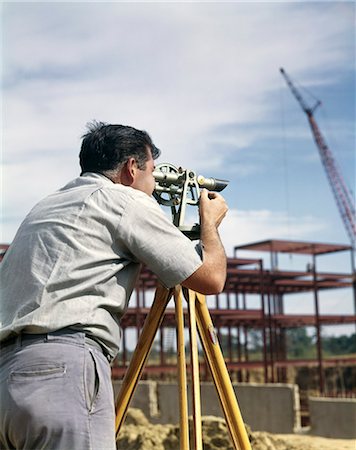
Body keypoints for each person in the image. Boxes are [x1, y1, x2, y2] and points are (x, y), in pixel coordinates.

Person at [0, 121, 228, 449]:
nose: (151, 187)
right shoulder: (120, 199)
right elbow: (211, 277)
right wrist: (209, 224)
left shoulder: (47, 206)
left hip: (7, 380)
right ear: (131, 168)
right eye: (151, 174)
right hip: (62, 375)